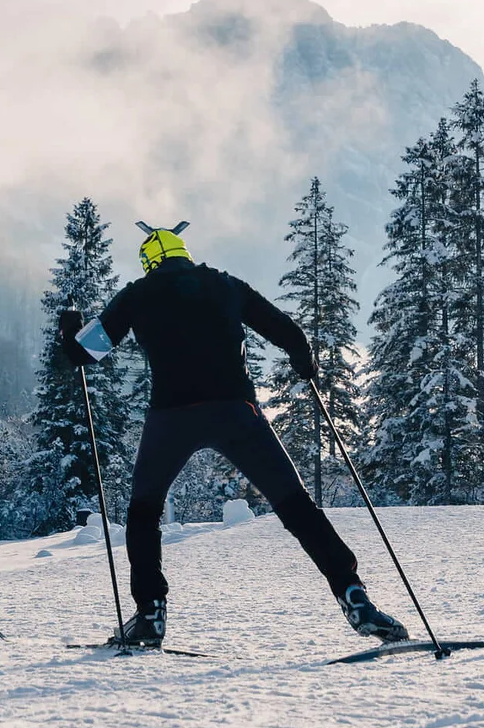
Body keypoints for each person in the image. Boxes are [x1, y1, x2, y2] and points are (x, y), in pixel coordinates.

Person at [58, 221, 408, 648]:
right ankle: (353, 595)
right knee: (297, 507)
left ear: (151, 261)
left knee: (144, 513)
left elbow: (84, 353)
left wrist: (69, 327)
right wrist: (305, 365)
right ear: (183, 253)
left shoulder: (138, 294)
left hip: (172, 416)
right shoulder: (226, 285)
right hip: (236, 413)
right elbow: (290, 334)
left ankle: (150, 616)